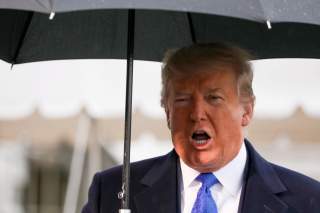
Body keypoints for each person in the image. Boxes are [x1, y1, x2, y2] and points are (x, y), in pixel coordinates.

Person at [82, 42, 320, 213]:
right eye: (183, 100)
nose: (197, 114)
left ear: (246, 111)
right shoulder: (113, 192)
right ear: (167, 111)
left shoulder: (307, 200)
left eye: (214, 98)